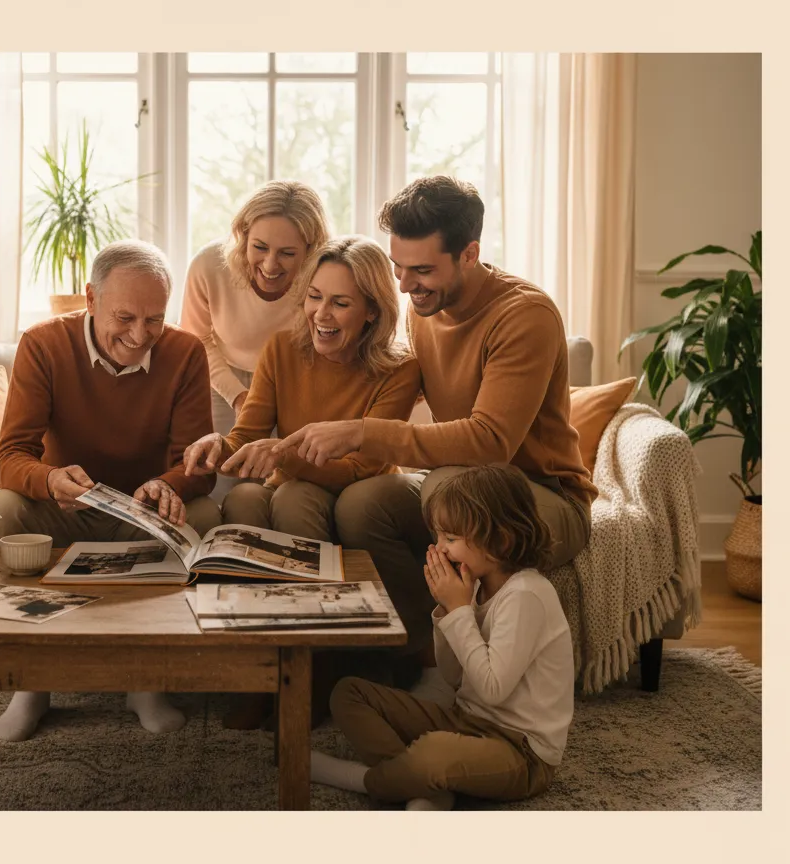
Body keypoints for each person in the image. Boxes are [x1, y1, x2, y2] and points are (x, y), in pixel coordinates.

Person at [273, 175, 595, 681]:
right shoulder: (426, 309)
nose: (404, 286)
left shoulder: (523, 316)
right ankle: (409, 653)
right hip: (465, 483)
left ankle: (454, 673)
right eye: (399, 268)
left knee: (448, 486)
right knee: (366, 502)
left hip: (543, 495)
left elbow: (490, 442)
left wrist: (361, 431)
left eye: (421, 270)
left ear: (470, 254)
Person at [0, 239, 222, 741]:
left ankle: (147, 682)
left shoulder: (184, 352)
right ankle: (31, 685)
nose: (140, 336)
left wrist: (166, 484)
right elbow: (9, 460)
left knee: (202, 520)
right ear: (90, 299)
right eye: (125, 317)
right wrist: (48, 479)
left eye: (154, 319)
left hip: (144, 509)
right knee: (2, 511)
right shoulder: (43, 343)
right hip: (64, 506)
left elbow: (197, 467)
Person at [183, 236, 421, 728]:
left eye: (340, 302)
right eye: (314, 296)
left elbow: (364, 467)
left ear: (372, 311)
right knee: (247, 499)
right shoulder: (282, 351)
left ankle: (309, 675)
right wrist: (216, 446)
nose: (321, 314)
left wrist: (285, 453)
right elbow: (247, 433)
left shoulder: (400, 368)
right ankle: (256, 673)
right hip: (293, 479)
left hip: (356, 488)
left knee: (292, 498)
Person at [309, 464, 574, 810]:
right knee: (348, 693)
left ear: (500, 540)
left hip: (521, 750)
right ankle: (428, 787)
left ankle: (368, 780)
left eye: (451, 538)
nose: (439, 549)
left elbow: (493, 689)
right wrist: (448, 611)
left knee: (433, 752)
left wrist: (459, 610)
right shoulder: (475, 586)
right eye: (437, 537)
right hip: (465, 720)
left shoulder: (526, 594)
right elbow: (452, 676)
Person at [179, 180, 331, 498]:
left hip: (292, 380)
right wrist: (238, 396)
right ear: (243, 236)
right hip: (224, 378)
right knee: (218, 479)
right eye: (260, 247)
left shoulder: (325, 275)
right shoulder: (208, 266)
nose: (271, 264)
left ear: (310, 249)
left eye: (288, 253)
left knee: (280, 484)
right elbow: (197, 340)